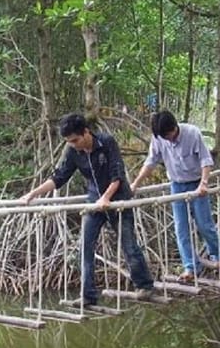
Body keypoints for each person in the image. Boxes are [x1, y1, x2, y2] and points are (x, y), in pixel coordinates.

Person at [20, 113, 155, 305]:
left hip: (118, 199)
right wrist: (32, 194)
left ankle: (144, 285)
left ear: (86, 132)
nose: (73, 144)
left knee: (129, 244)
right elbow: (59, 177)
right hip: (94, 201)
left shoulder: (106, 142)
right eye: (69, 142)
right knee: (85, 246)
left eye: (75, 140)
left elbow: (117, 174)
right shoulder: (73, 151)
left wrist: (107, 198)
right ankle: (88, 295)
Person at [131, 110, 220, 283]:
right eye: (164, 137)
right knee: (181, 228)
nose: (169, 140)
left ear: (175, 127)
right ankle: (190, 266)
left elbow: (205, 160)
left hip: (197, 183)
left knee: (204, 224)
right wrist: (135, 184)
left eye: (170, 135)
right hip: (176, 184)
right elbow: (150, 162)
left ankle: (218, 254)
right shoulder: (159, 138)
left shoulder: (192, 133)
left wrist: (204, 182)